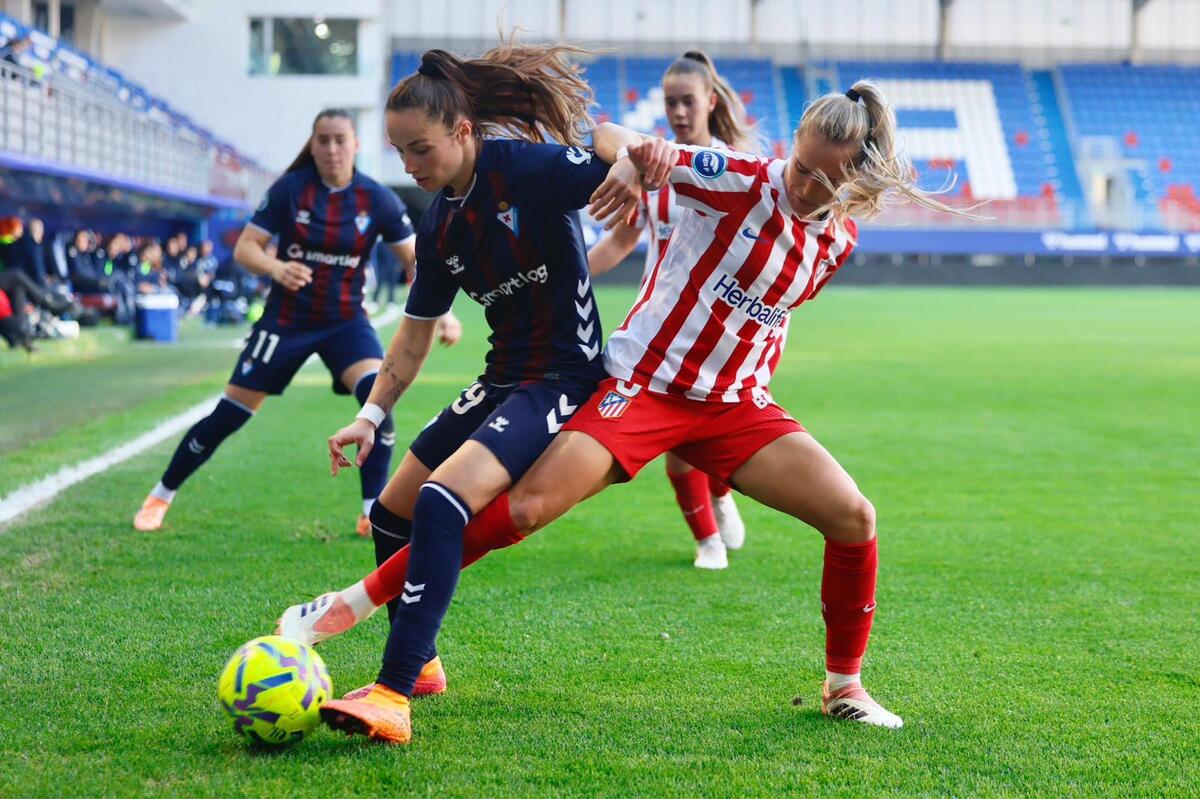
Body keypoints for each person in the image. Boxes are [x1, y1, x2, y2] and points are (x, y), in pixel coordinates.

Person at [283, 80, 971, 739]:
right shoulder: (736, 178)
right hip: (643, 388)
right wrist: (634, 162)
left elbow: (767, 319)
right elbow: (617, 137)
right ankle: (357, 600)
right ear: (793, 141)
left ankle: (844, 687)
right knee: (524, 509)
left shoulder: (837, 240)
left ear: (854, 184)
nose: (803, 185)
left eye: (824, 181)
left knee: (854, 516)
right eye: (802, 165)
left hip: (735, 408)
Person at [274, 44, 664, 743]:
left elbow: (613, 154)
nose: (409, 167)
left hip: (563, 377)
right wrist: (369, 415)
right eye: (399, 153)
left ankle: (392, 695)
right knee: (392, 514)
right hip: (502, 377)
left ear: (462, 131)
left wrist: (630, 162)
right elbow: (414, 338)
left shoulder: (528, 170)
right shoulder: (439, 223)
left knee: (442, 501)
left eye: (419, 149)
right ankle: (420, 664)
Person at [132, 108, 460, 535]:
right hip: (286, 322)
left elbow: (419, 261)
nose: (331, 149)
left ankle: (369, 513)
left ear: (355, 145)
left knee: (378, 403)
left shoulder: (376, 199)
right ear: (313, 144)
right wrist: (276, 268)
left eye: (340, 139)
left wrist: (446, 312)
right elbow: (247, 248)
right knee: (229, 415)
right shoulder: (291, 190)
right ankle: (160, 495)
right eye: (322, 140)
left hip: (346, 323)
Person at [588, 50, 758, 570]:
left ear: (710, 100)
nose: (679, 112)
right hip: (663, 329)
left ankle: (722, 495)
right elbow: (620, 243)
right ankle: (706, 539)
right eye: (670, 103)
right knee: (679, 444)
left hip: (723, 333)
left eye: (688, 101)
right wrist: (562, 276)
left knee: (714, 441)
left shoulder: (738, 170)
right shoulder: (657, 169)